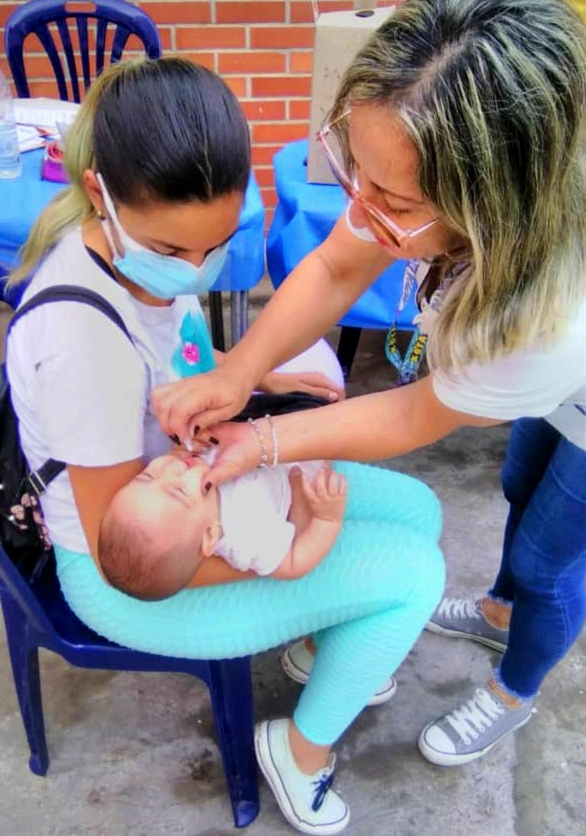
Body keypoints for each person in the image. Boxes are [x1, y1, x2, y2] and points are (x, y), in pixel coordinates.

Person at [6, 56, 445, 834]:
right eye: (176, 252)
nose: (197, 270)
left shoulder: (141, 267)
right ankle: (298, 754)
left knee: (417, 508)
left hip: (204, 491)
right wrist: (287, 550)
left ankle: (322, 644)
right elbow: (128, 546)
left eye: (214, 245)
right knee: (414, 575)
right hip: (139, 567)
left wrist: (260, 371)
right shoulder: (81, 346)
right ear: (101, 194)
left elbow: (183, 359)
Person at [152, 0, 586, 774]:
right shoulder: (413, 165)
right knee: (522, 480)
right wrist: (237, 372)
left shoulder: (542, 323)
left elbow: (417, 414)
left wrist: (262, 438)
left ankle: (515, 689)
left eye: (396, 202)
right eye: (357, 168)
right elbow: (333, 266)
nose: (361, 207)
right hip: (543, 380)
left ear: (497, 206)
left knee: (557, 555)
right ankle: (497, 611)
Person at [98, 449, 346, 598]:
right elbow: (293, 564)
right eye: (178, 492)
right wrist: (327, 519)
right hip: (304, 480)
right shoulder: (244, 536)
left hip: (272, 447)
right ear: (210, 536)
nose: (169, 470)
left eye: (147, 476)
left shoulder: (194, 474)